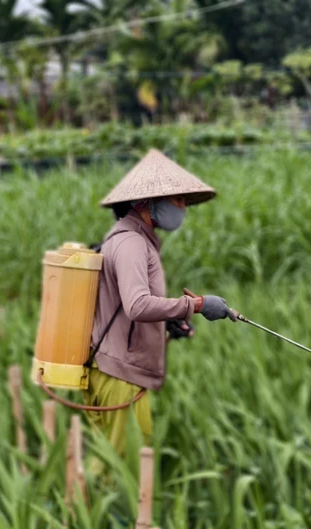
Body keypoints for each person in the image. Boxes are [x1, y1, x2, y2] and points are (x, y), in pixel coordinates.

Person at [82, 149, 237, 470]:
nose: (182, 208)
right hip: (118, 374)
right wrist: (195, 305)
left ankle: (90, 517)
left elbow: (120, 303)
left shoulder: (133, 239)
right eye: (176, 200)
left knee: (116, 464)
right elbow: (137, 305)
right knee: (116, 471)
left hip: (117, 368)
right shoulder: (131, 244)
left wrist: (170, 321)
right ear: (145, 203)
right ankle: (82, 520)